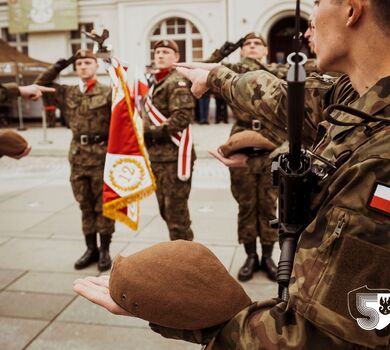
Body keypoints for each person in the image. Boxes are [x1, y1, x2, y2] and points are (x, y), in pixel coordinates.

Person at [75, 0, 389, 348]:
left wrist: (195, 315)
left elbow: (323, 335)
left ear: (351, 9)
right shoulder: (360, 97)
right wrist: (216, 77)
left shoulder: (381, 164)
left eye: (317, 3)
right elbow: (287, 98)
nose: (307, 24)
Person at [207, 33, 283, 282]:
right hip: (241, 139)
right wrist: (221, 53)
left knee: (270, 203)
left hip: (273, 140)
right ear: (242, 51)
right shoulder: (234, 69)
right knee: (246, 203)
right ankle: (251, 255)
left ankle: (269, 256)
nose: (252, 47)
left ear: (265, 50)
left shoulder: (278, 71)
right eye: (247, 44)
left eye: (257, 44)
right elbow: (207, 71)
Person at [35, 49, 115, 272]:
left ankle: (105, 249)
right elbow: (39, 84)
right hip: (78, 156)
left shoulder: (108, 91)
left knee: (104, 206)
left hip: (101, 155)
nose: (83, 67)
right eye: (79, 64)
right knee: (85, 204)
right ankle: (91, 249)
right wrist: (58, 67)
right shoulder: (67, 92)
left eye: (87, 62)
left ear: (96, 66)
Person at [142, 40, 196, 241]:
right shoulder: (156, 82)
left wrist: (148, 131)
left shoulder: (177, 81)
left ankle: (185, 261)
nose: (160, 55)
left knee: (177, 216)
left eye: (166, 52)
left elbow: (182, 118)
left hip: (174, 157)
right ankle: (179, 256)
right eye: (157, 52)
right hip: (158, 157)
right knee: (166, 210)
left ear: (176, 57)